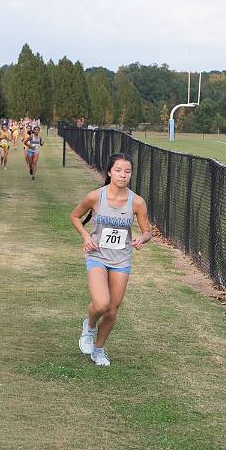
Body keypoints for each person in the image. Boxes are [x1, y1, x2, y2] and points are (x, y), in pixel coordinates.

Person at [69, 153, 153, 366]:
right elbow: (74, 216)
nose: (123, 175)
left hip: (121, 260)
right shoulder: (96, 197)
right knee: (102, 303)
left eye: (127, 171)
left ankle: (99, 349)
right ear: (109, 172)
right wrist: (86, 235)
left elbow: (148, 232)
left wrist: (141, 238)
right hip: (97, 255)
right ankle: (88, 327)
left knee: (112, 310)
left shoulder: (137, 202)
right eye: (118, 170)